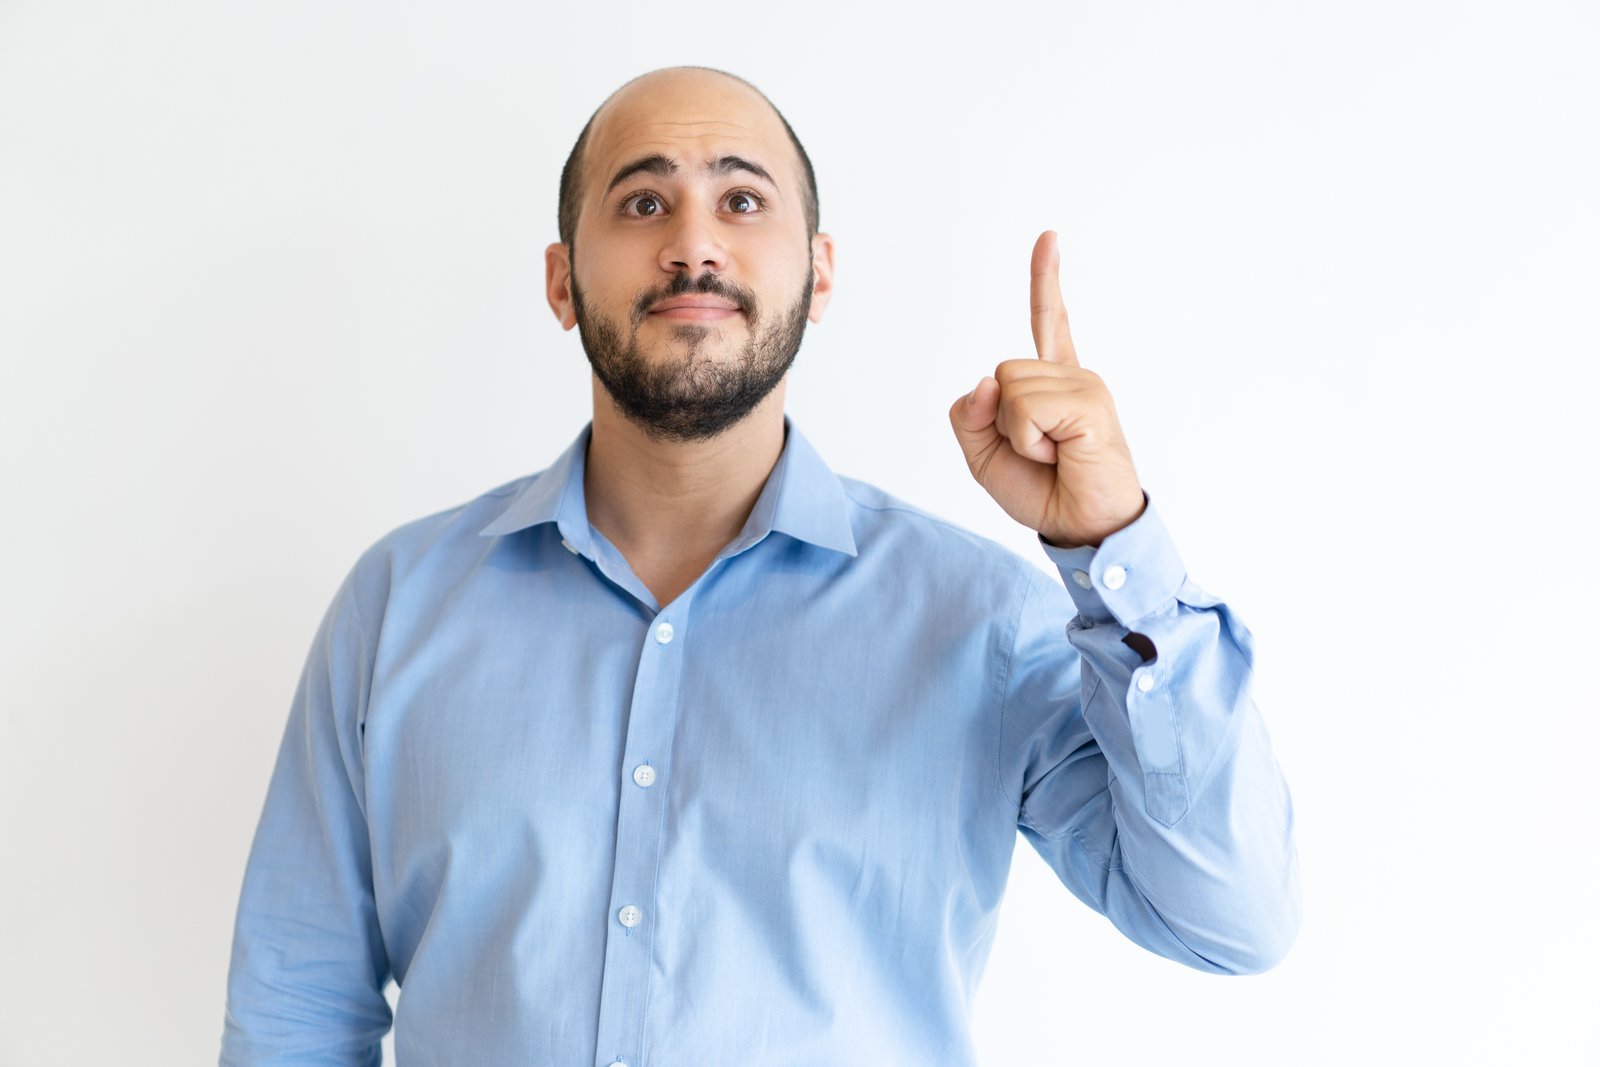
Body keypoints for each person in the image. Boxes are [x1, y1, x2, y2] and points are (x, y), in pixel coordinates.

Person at [219, 65, 1299, 1066]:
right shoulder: (397, 605)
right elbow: (296, 1011)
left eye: (741, 201)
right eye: (643, 202)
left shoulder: (981, 620)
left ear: (819, 273)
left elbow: (1229, 917)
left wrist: (1111, 543)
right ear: (561, 281)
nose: (694, 245)